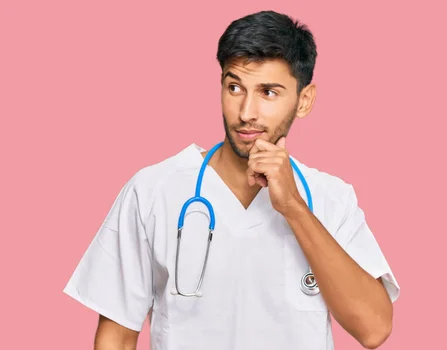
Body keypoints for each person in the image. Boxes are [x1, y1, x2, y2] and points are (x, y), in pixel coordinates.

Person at [63, 10, 400, 350]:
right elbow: (117, 338)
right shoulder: (153, 191)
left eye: (269, 92)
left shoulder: (332, 199)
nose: (246, 112)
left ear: (304, 100)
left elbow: (373, 329)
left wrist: (294, 209)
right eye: (235, 87)